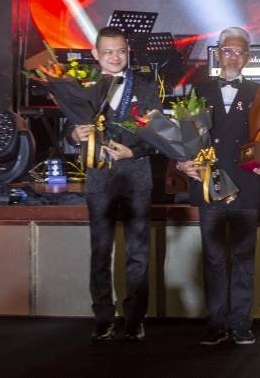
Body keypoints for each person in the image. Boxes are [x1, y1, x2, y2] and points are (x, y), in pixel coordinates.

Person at [177, 27, 260, 346]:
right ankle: (217, 322)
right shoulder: (196, 91)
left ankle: (241, 322)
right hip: (210, 184)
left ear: (247, 57)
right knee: (214, 258)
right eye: (228, 50)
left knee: (245, 257)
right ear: (218, 54)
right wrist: (182, 163)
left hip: (245, 183)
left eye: (240, 52)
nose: (233, 56)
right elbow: (185, 140)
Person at [68, 26, 161, 342]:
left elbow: (162, 137)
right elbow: (64, 135)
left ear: (128, 52)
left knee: (138, 253)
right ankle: (103, 317)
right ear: (96, 55)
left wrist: (133, 150)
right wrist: (73, 135)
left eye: (120, 50)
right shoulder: (83, 87)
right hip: (99, 179)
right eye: (107, 51)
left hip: (136, 177)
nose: (115, 56)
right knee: (100, 251)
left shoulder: (148, 88)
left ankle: (135, 319)